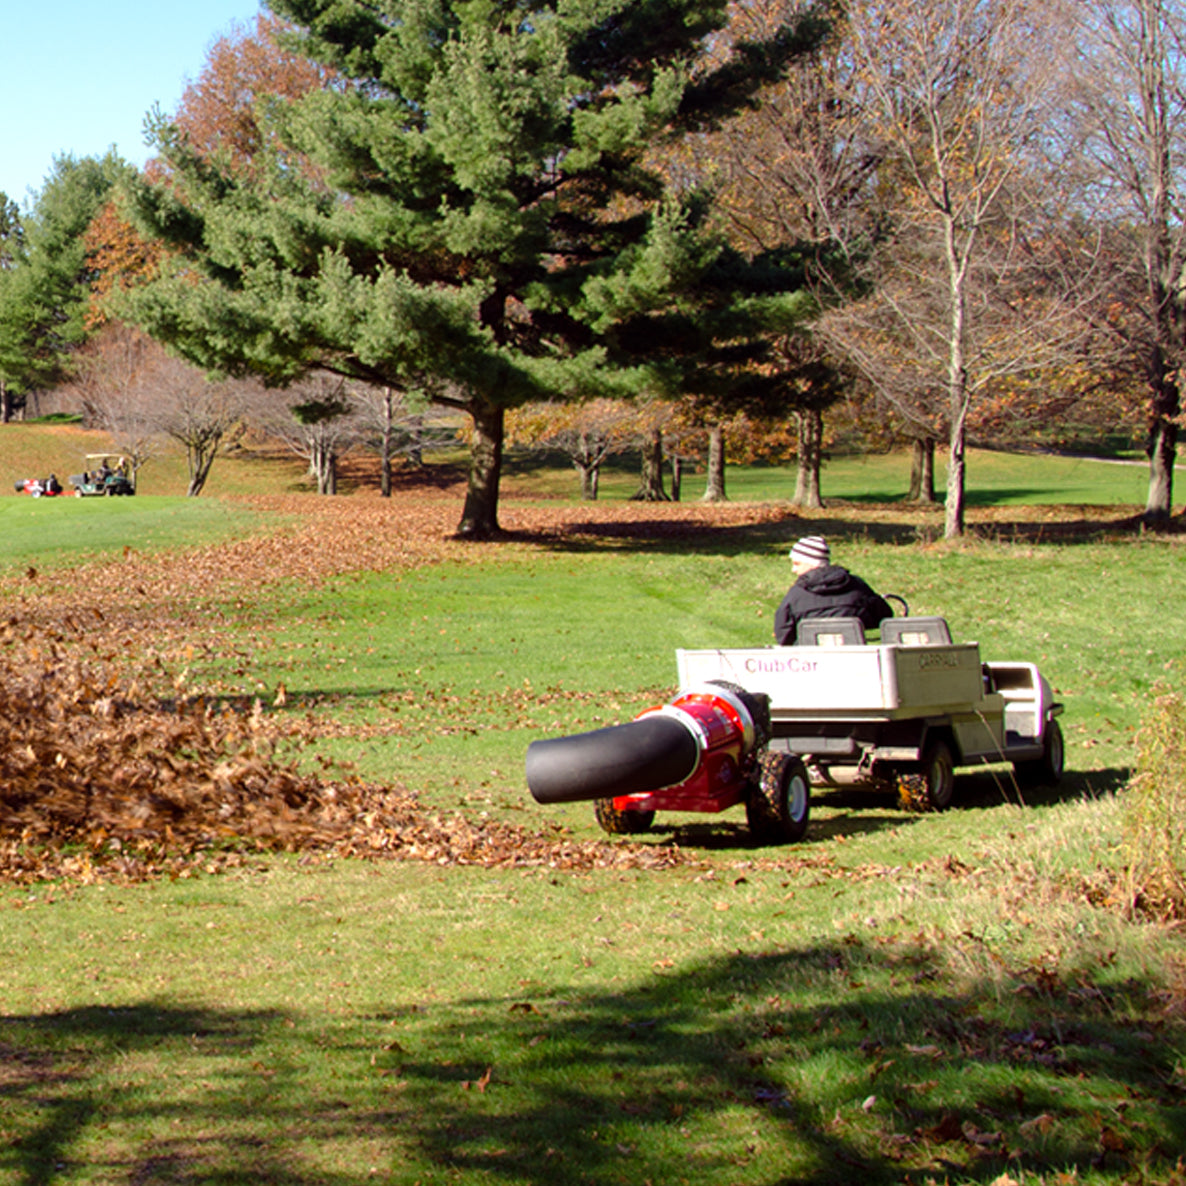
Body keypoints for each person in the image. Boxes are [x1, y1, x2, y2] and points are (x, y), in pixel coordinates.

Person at [773, 535, 892, 645]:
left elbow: (783, 635)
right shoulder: (857, 586)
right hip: (852, 657)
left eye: (797, 563)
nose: (793, 570)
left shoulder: (797, 594)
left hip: (810, 661)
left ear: (812, 563)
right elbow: (883, 615)